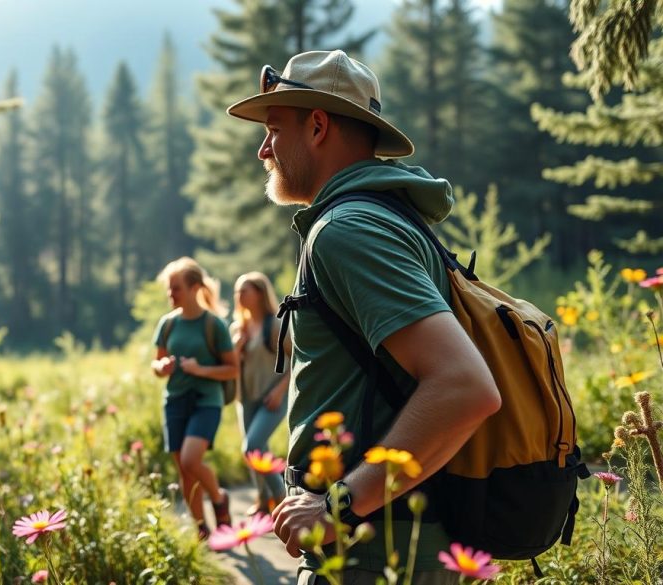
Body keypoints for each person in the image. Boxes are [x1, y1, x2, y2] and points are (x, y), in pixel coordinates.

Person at [226, 50, 502, 584]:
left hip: (374, 557)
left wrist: (338, 507)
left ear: (318, 125)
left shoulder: (349, 230)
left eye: (274, 129)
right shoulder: (384, 217)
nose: (263, 149)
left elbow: (465, 386)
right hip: (385, 545)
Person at [150, 257, 238, 541]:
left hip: (206, 401)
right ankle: (201, 529)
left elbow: (233, 368)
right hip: (175, 401)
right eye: (169, 288)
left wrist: (200, 369)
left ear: (194, 288)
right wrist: (162, 368)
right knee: (184, 471)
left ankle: (219, 497)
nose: (170, 294)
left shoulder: (214, 325)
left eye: (175, 288)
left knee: (191, 460)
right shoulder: (167, 324)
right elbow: (157, 364)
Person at [230, 271, 291, 515]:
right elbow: (232, 366)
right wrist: (236, 347)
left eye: (245, 290)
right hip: (246, 397)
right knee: (255, 450)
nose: (239, 295)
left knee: (252, 445)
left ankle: (282, 498)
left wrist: (280, 391)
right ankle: (263, 502)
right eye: (237, 291)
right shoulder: (238, 328)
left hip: (273, 396)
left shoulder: (275, 325)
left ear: (259, 293)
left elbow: (297, 359)